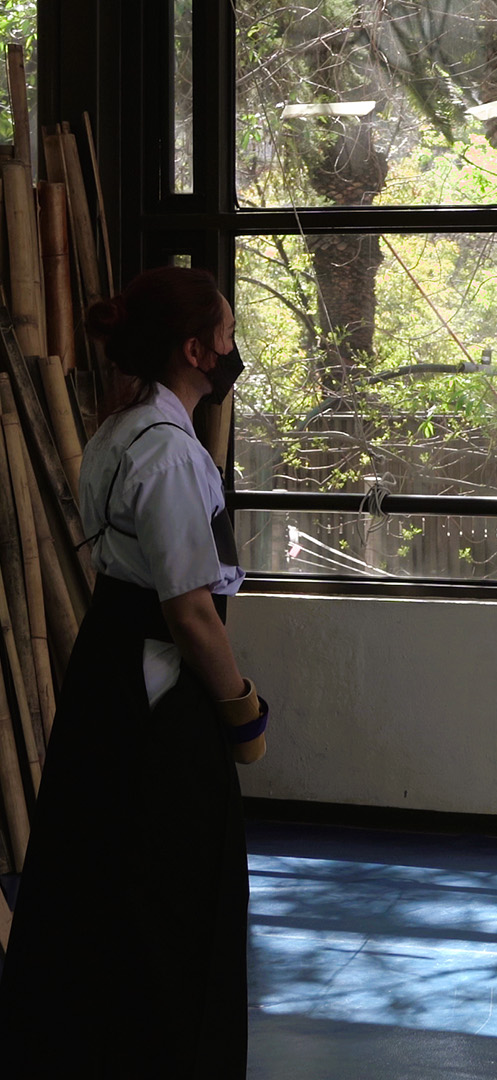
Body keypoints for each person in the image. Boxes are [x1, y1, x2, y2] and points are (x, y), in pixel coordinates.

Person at [0, 267, 264, 1074]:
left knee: (96, 870)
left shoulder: (117, 432)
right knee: (172, 889)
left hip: (106, 672)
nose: (231, 350)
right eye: (224, 336)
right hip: (164, 692)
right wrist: (241, 707)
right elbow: (189, 612)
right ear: (195, 351)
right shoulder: (174, 459)